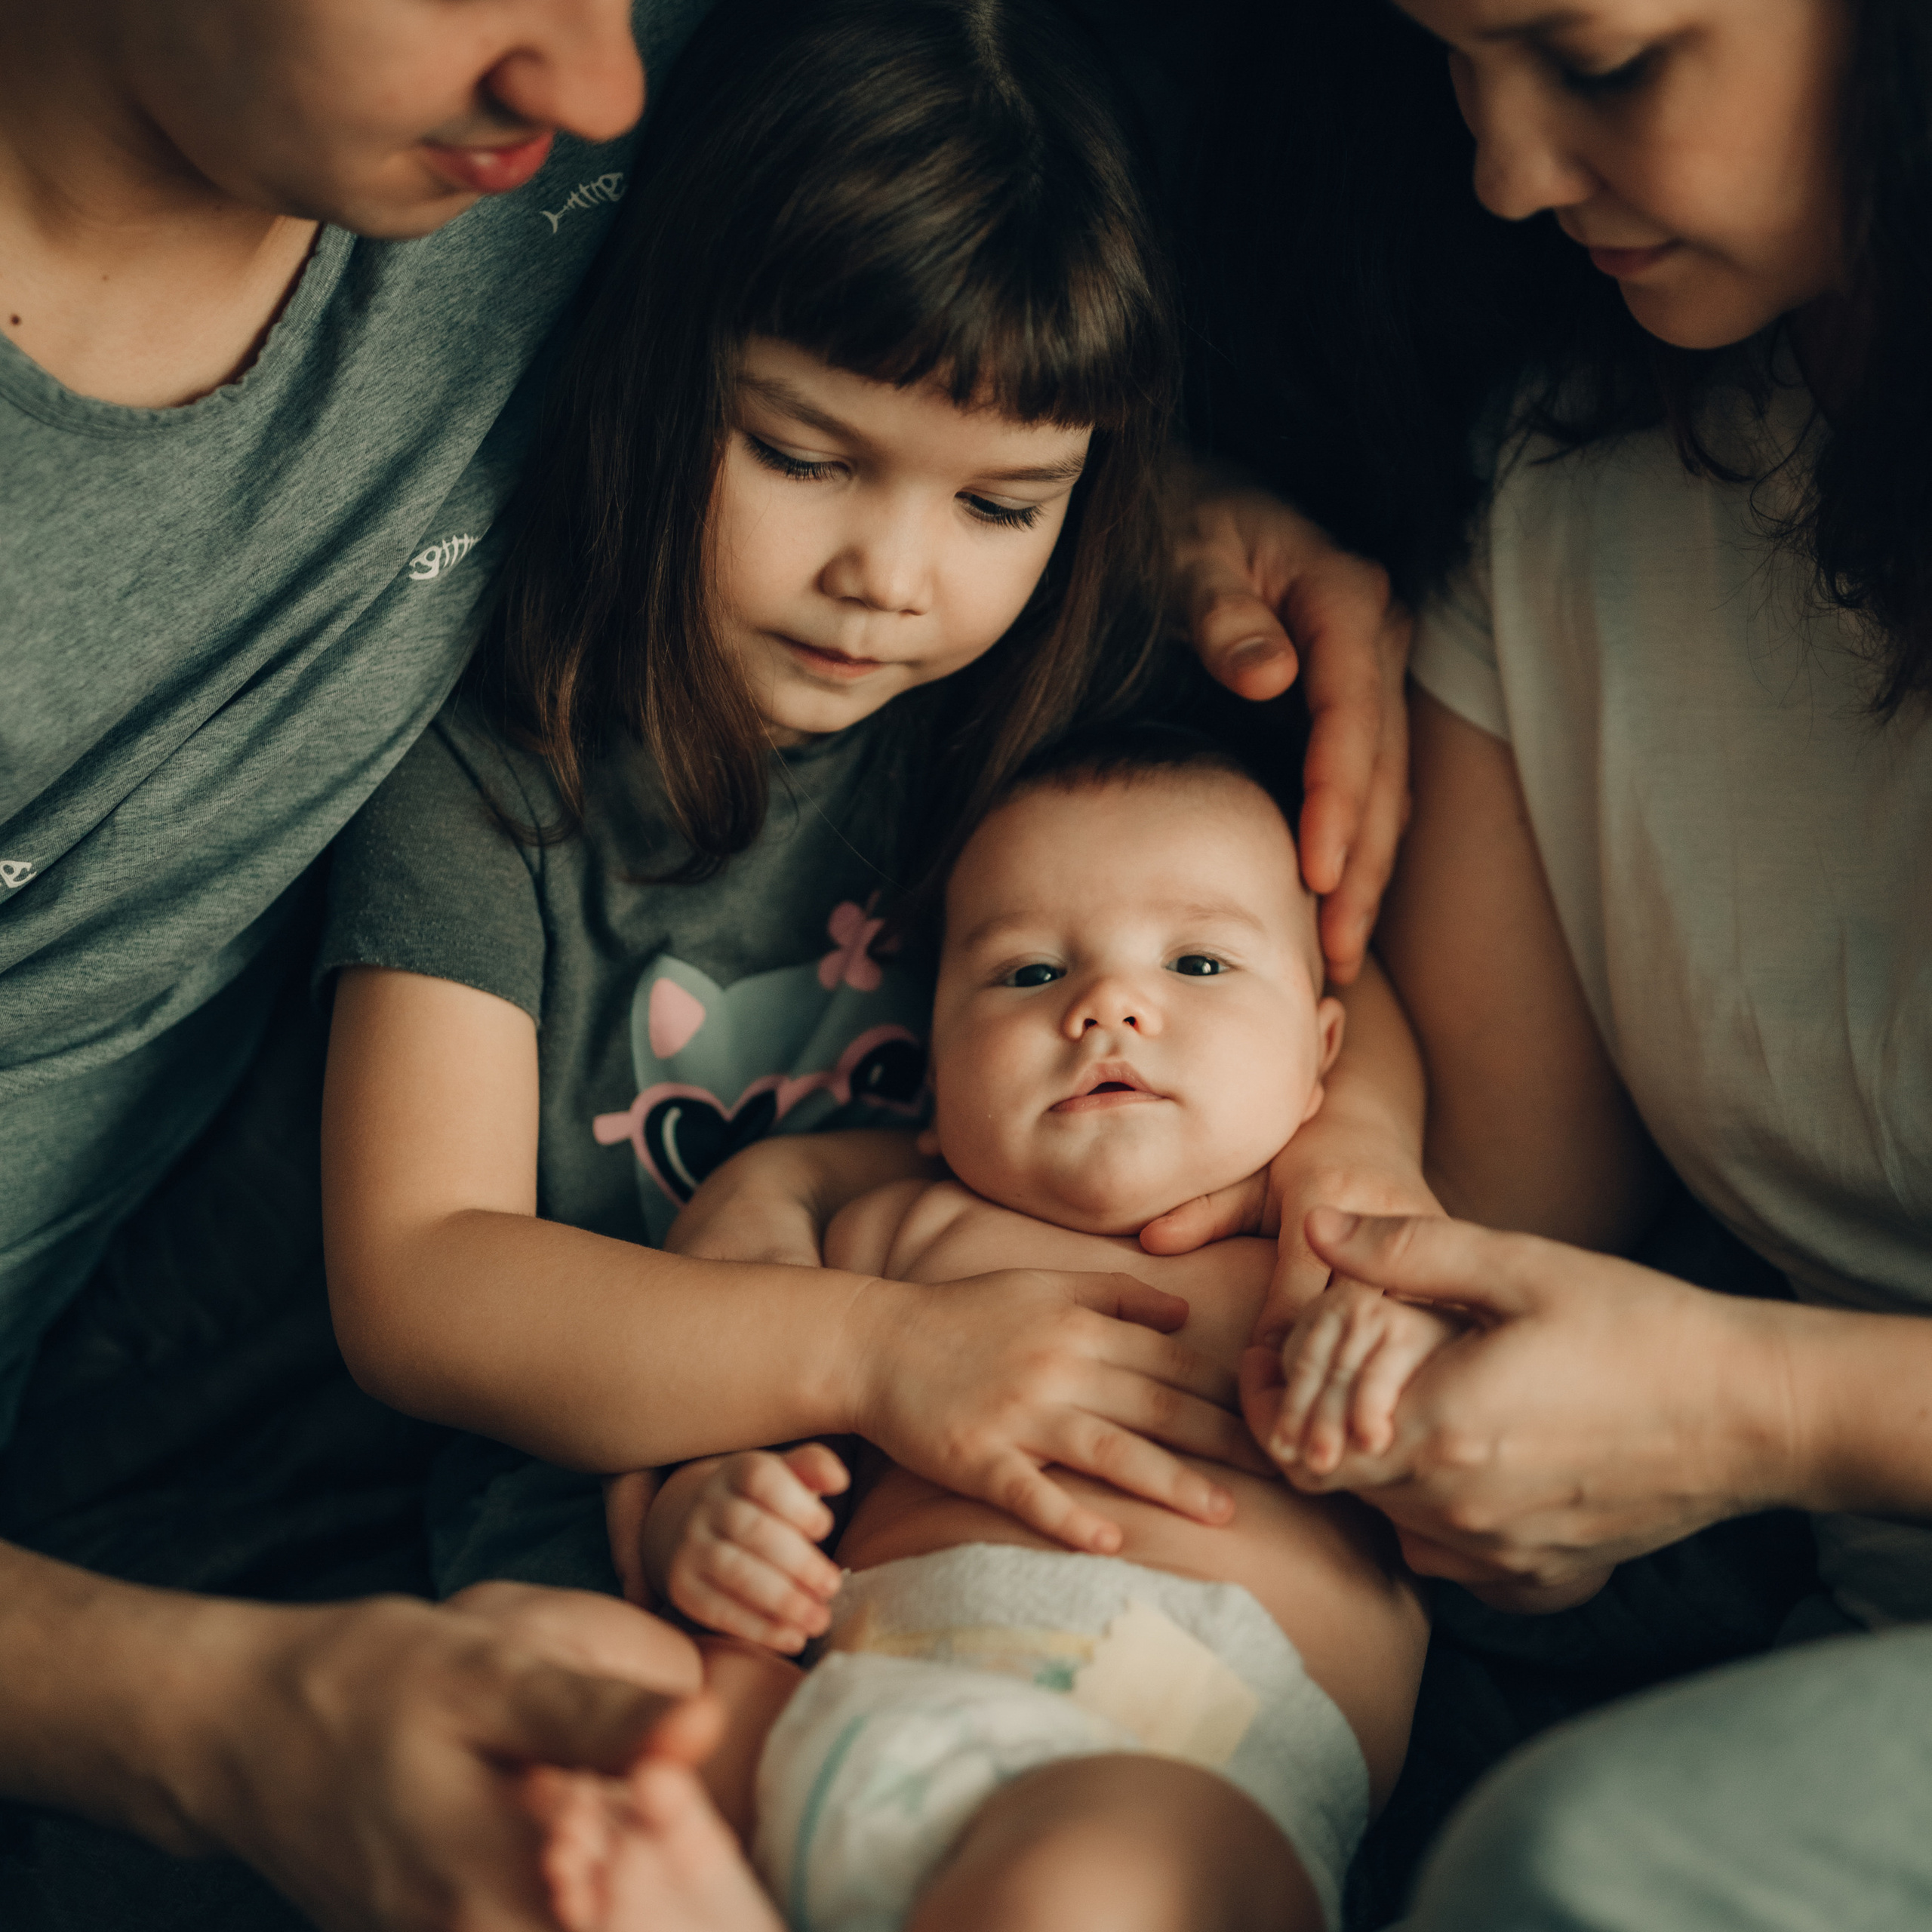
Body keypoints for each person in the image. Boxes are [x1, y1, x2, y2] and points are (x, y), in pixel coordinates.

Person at [0, 0, 1407, 1921]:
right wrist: (876, 1364)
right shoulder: (499, 779)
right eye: (804, 459)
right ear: (653, 376)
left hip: (1028, 1643)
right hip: (633, 1554)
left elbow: (1303, 973)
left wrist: (1365, 1165)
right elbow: (420, 1279)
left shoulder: (1038, 736)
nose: (890, 578)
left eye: (998, 502)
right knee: (584, 1764)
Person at [1166, 0, 1932, 1924]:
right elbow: (1491, 1212)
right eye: (1449, 57)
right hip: (1842, 1673)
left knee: (1583, 1861)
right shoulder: (1557, 496)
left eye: (1598, 60)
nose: (1502, 173)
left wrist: (1754, 1410)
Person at [528, 728, 1429, 1932]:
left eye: (1201, 966)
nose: (1111, 1004)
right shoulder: (900, 1238)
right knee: (540, 1656)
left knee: (1087, 1889)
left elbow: (1500, 1456)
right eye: (1028, 975)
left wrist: (1385, 1377)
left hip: (1175, 1763)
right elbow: (732, 1408)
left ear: (1323, 1058)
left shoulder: (1346, 1257)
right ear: (935, 1080)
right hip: (829, 1724)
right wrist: (720, 1512)